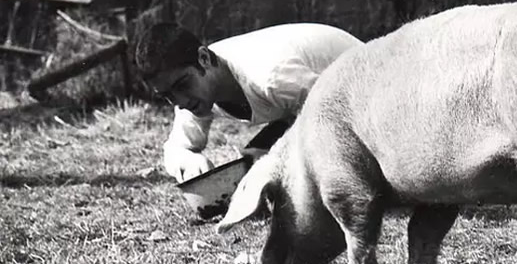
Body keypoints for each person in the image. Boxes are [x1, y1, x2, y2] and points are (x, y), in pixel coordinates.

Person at [134, 22, 363, 182]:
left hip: (368, 83)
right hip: (318, 101)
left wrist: (275, 160)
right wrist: (188, 159)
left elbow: (332, 116)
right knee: (254, 161)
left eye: (182, 86)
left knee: (267, 163)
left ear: (204, 58)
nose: (180, 102)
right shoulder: (190, 92)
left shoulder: (269, 76)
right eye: (167, 95)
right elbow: (175, 148)